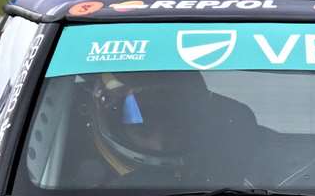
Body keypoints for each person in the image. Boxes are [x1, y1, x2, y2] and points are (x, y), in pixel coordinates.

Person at [78, 70, 259, 187]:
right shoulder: (56, 171)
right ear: (114, 127)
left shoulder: (244, 171)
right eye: (144, 132)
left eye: (174, 132)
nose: (160, 145)